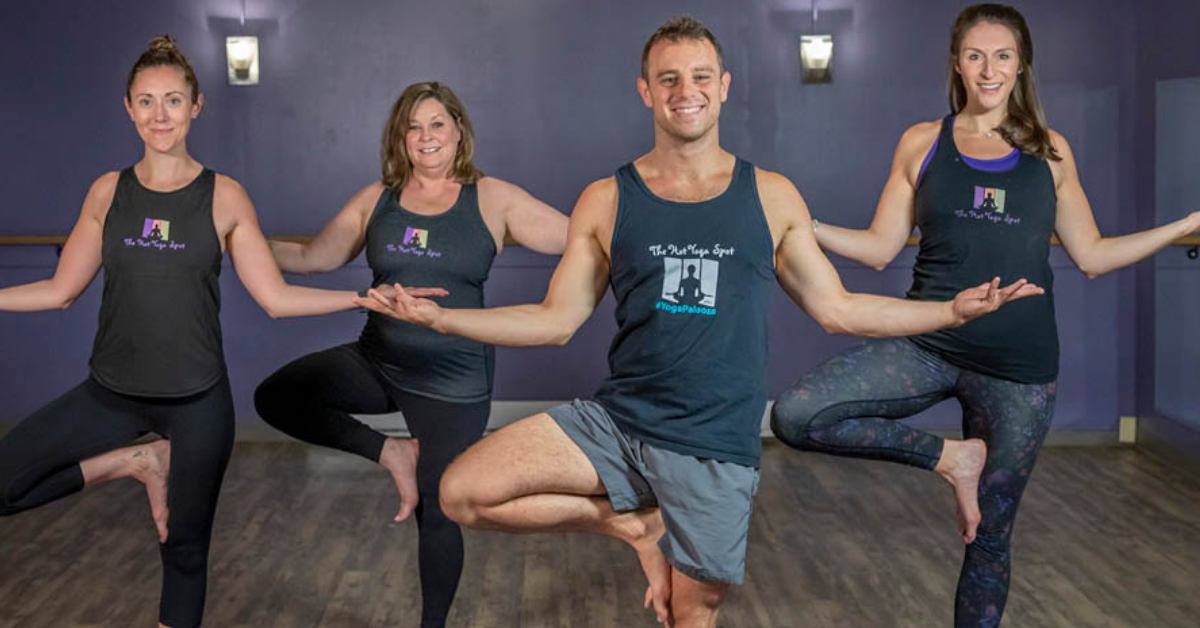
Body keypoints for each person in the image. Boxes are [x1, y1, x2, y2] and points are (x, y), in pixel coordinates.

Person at [357, 16, 1040, 627]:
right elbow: (554, 321)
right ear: (646, 92)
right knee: (461, 492)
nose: (686, 90)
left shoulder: (771, 196)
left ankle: (658, 533)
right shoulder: (606, 199)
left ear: (723, 87)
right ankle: (636, 527)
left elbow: (840, 310)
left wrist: (947, 310)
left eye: (700, 76)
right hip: (621, 423)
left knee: (690, 614)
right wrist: (443, 320)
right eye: (669, 78)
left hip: (715, 446)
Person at [769, 4, 1200, 626]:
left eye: (1002, 56)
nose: (989, 69)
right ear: (956, 63)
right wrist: (799, 224)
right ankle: (952, 458)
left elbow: (1093, 255)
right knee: (796, 414)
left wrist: (1183, 226)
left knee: (990, 535)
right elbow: (880, 247)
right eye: (975, 56)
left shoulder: (1052, 152)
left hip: (1018, 368)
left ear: (1021, 64)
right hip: (929, 344)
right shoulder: (922, 143)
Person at [0, 36, 363, 628]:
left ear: (196, 106)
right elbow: (60, 290)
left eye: (172, 100)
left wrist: (360, 298)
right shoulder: (107, 192)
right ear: (128, 108)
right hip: (110, 394)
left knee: (185, 551)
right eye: (146, 101)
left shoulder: (225, 197)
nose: (159, 115)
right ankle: (134, 461)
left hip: (197, 404)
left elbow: (275, 299)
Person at [253, 81, 568, 628]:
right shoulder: (377, 198)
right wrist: (233, 239)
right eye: (413, 127)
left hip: (453, 380)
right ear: (399, 137)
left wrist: (643, 227)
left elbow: (578, 236)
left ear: (458, 130)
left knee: (438, 507)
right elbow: (310, 258)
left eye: (437, 124)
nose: (426, 136)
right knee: (277, 396)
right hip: (378, 360)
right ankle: (392, 453)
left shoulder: (492, 199)